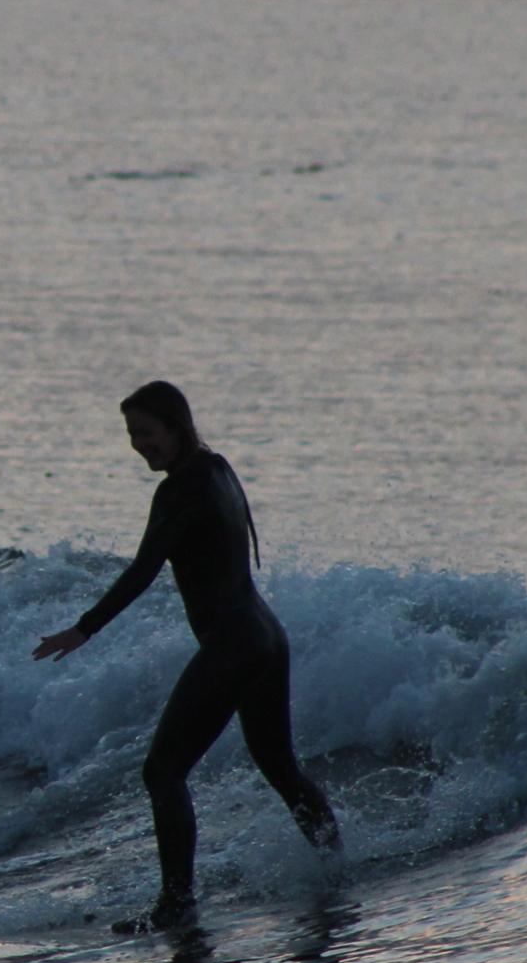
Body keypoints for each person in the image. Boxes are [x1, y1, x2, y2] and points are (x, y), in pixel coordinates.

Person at [33, 381, 338, 929]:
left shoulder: (178, 490)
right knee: (281, 767)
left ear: (176, 426)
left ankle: (176, 904)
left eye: (146, 433)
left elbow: (144, 569)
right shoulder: (217, 467)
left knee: (163, 769)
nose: (138, 445)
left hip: (236, 644)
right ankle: (337, 864)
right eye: (131, 435)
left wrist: (84, 629)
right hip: (267, 635)